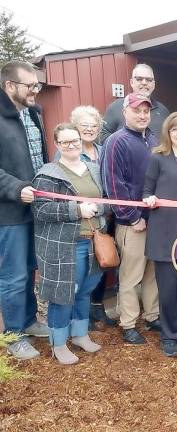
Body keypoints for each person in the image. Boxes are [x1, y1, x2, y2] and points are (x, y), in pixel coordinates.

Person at [33, 123, 108, 365]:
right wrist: (76, 209)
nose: (72, 145)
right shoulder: (48, 174)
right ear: (57, 145)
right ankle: (58, 343)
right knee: (63, 295)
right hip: (65, 245)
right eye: (65, 142)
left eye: (75, 140)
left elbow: (106, 199)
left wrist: (100, 208)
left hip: (93, 242)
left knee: (85, 291)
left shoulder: (94, 169)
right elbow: (41, 208)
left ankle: (80, 334)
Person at [101, 93, 160, 344]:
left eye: (146, 111)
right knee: (130, 276)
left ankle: (153, 315)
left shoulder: (154, 140)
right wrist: (133, 217)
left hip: (156, 220)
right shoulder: (117, 141)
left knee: (151, 273)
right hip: (132, 224)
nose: (143, 115)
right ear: (125, 111)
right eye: (137, 110)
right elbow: (114, 185)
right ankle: (128, 324)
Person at [0, 60, 49, 360]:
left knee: (31, 269)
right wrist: (16, 189)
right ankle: (14, 334)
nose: (35, 90)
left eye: (37, 85)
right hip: (9, 214)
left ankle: (30, 321)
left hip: (36, 208)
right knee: (13, 276)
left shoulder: (33, 114)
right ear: (9, 86)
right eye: (29, 85)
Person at [143, 112, 177, 357]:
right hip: (166, 234)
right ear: (168, 132)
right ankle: (169, 336)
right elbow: (146, 190)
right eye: (175, 129)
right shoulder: (158, 158)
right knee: (167, 290)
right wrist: (150, 199)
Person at [70, 106, 117, 328]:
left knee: (102, 260)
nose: (90, 129)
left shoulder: (102, 149)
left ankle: (97, 307)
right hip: (82, 221)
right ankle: (82, 315)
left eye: (94, 125)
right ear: (75, 127)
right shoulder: (68, 152)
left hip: (103, 217)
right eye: (84, 125)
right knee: (83, 268)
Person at [100, 63, 169, 143]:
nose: (144, 82)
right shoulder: (116, 107)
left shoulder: (163, 111)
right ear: (132, 82)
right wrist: (124, 145)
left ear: (153, 84)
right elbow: (101, 135)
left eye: (149, 80)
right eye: (139, 79)